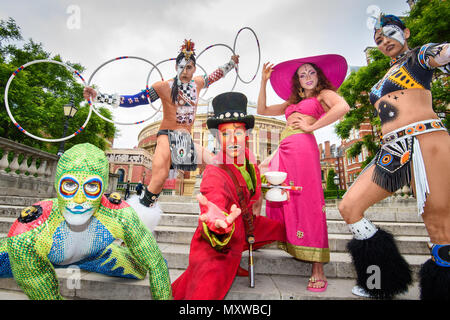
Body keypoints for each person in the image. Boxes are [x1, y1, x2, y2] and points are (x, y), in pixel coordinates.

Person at [337, 14, 449, 300]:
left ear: (406, 32)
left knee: (441, 231)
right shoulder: (384, 75)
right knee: (350, 206)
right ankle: (380, 281)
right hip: (393, 150)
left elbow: (442, 53)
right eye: (378, 39)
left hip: (428, 142)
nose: (384, 40)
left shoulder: (419, 57)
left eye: (390, 33)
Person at [0, 143, 172, 300]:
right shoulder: (32, 227)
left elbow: (156, 263)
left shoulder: (118, 214)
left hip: (96, 255)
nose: (80, 199)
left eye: (91, 186)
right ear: (57, 184)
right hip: (33, 254)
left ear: (103, 188)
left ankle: (94, 252)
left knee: (138, 267)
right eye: (69, 185)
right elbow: (41, 287)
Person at [84, 39, 239, 210]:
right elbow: (134, 100)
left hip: (183, 141)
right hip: (166, 136)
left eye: (189, 67)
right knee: (160, 177)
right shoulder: (163, 86)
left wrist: (232, 63)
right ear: (175, 67)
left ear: (194, 68)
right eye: (181, 67)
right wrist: (99, 97)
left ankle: (218, 206)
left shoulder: (198, 83)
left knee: (216, 163)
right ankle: (142, 213)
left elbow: (217, 74)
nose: (185, 71)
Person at [171, 92, 286, 300]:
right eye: (225, 134)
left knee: (284, 230)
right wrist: (218, 222)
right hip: (216, 243)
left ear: (247, 135)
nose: (232, 140)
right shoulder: (215, 171)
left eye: (238, 132)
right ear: (218, 138)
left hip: (245, 227)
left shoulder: (251, 164)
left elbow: (255, 202)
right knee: (201, 295)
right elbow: (213, 197)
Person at [257, 54, 350, 292]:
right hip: (284, 148)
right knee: (261, 179)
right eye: (302, 74)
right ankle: (260, 233)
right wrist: (263, 81)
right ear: (297, 81)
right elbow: (262, 109)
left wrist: (311, 126)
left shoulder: (323, 95)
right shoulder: (290, 104)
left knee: (308, 201)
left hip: (302, 149)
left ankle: (317, 268)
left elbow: (343, 107)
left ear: (318, 75)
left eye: (311, 72)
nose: (307, 77)